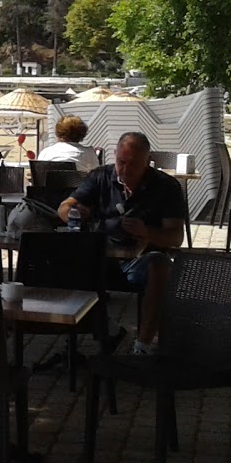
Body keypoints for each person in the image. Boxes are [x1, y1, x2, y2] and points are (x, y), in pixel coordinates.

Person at [58, 132, 186, 354]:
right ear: (115, 156)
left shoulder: (165, 186)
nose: (125, 170)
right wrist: (75, 213)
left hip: (140, 260)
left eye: (133, 164)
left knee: (160, 265)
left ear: (147, 163)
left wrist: (147, 232)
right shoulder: (101, 177)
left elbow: (175, 237)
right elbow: (64, 207)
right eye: (121, 162)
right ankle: (104, 329)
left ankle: (143, 345)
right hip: (101, 256)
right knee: (65, 261)